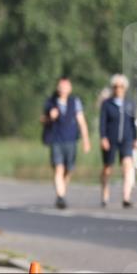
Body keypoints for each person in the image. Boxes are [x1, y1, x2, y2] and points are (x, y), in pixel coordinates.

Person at [40, 77, 90, 209]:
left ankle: (61, 190)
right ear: (58, 88)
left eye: (66, 86)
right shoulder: (50, 102)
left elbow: (81, 121)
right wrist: (49, 117)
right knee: (58, 168)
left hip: (71, 140)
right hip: (56, 140)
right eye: (61, 87)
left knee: (69, 169)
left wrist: (86, 139)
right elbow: (42, 120)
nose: (63, 89)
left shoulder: (75, 102)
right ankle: (60, 196)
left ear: (70, 88)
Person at [99, 74, 137, 207]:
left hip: (126, 138)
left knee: (127, 165)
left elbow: (133, 122)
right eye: (116, 86)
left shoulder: (129, 103)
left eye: (121, 86)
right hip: (111, 139)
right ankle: (105, 193)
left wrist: (135, 138)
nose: (118, 89)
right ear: (113, 88)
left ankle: (126, 197)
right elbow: (102, 122)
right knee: (107, 168)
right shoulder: (107, 104)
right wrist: (103, 137)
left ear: (125, 88)